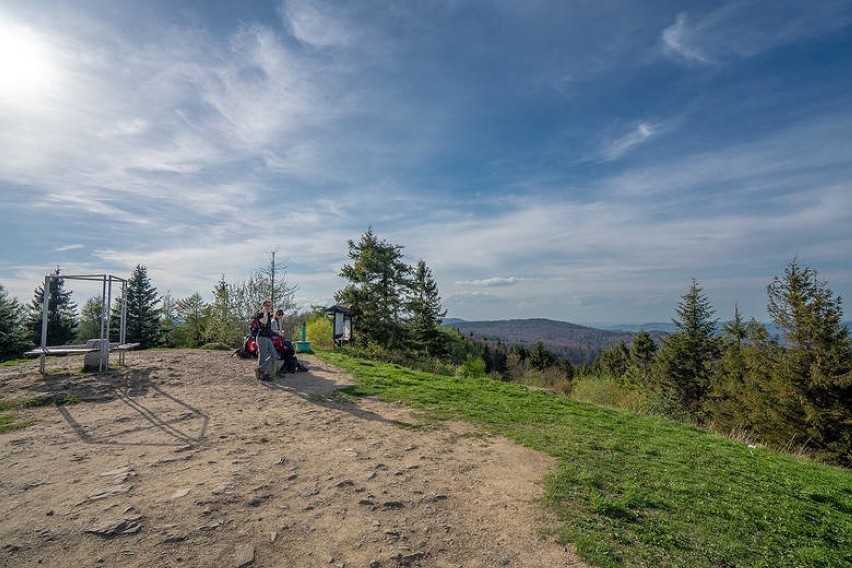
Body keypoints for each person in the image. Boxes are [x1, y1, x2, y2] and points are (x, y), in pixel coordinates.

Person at [253, 300, 278, 381]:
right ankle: (261, 375)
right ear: (263, 305)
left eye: (270, 306)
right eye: (267, 305)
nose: (269, 307)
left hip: (267, 338)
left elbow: (268, 327)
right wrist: (264, 311)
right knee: (262, 357)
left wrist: (278, 333)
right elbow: (263, 321)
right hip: (261, 338)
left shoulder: (267, 314)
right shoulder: (260, 314)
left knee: (274, 355)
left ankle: (260, 369)